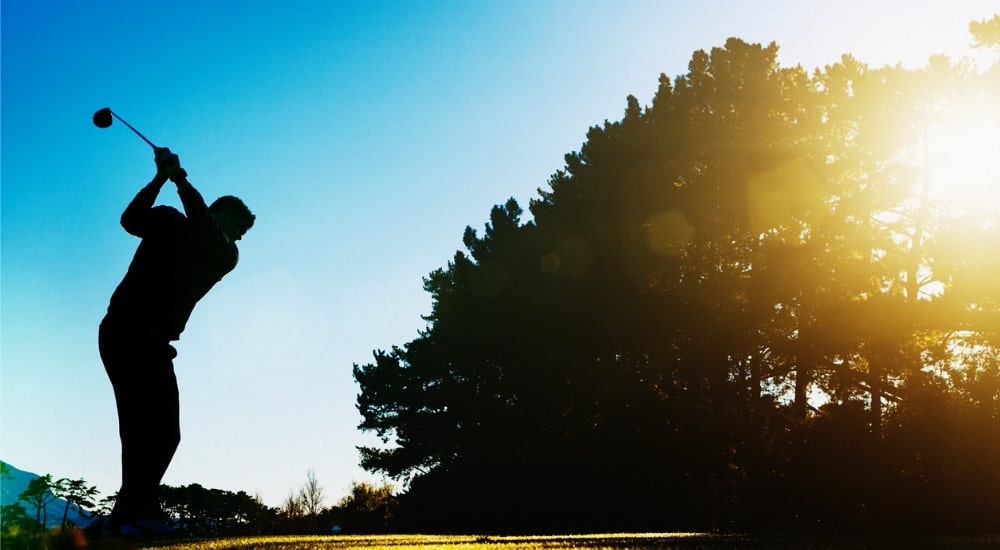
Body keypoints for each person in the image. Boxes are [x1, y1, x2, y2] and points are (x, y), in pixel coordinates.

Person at [99, 147, 254, 534]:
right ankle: (139, 515)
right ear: (221, 213)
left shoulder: (224, 255)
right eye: (238, 226)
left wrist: (180, 179)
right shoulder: (168, 219)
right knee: (140, 429)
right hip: (124, 330)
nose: (239, 237)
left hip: (154, 344)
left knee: (164, 433)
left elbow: (203, 229)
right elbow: (130, 220)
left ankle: (129, 516)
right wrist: (160, 179)